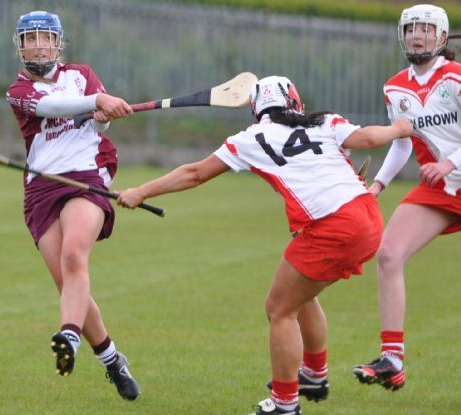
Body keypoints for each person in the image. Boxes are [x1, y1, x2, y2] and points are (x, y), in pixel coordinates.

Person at [116, 75, 413, 414]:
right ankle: (314, 375)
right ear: (294, 101)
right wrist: (399, 128)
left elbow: (195, 173)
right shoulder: (324, 121)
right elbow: (370, 138)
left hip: (333, 226)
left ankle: (285, 405)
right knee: (300, 295)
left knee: (279, 309)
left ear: (257, 109)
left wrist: (141, 191)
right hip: (367, 215)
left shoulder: (251, 137)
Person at [5, 10, 140, 401]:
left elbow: (98, 123)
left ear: (57, 42)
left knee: (74, 257)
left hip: (85, 175)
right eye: (30, 39)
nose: (38, 46)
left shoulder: (81, 74)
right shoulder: (17, 90)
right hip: (41, 187)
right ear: (21, 46)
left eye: (45, 38)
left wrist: (104, 114)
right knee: (68, 284)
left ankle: (69, 335)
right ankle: (113, 361)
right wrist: (97, 101)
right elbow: (52, 108)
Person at [353, 4, 460, 392]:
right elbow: (402, 144)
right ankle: (392, 359)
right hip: (441, 190)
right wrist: (378, 185)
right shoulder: (395, 87)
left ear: (441, 38)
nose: (417, 35)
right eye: (412, 29)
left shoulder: (455, 77)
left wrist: (448, 163)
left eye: (426, 30)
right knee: (389, 254)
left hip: (447, 173)